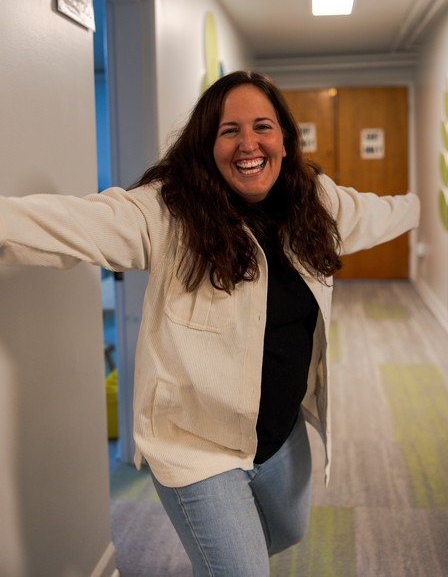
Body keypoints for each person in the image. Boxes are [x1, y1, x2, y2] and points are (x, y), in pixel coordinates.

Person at [0, 70, 419, 575]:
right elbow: (72, 224)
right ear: (207, 146)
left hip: (280, 433)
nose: (248, 144)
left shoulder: (314, 205)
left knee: (290, 531)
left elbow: (376, 213)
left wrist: (419, 207)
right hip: (197, 446)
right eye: (229, 131)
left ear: (285, 140)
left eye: (262, 127)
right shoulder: (167, 213)